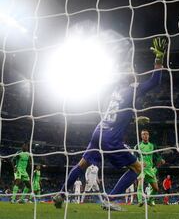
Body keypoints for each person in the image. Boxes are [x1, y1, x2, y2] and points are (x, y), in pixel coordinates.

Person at [53, 37, 167, 211]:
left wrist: (135, 119)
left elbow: (117, 113)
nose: (134, 71)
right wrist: (159, 58)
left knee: (82, 165)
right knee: (137, 168)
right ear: (130, 78)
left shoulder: (116, 92)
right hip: (111, 137)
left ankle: (61, 194)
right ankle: (111, 198)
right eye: (132, 70)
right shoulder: (132, 88)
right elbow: (154, 81)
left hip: (98, 131)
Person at [136, 129, 165, 207]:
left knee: (156, 189)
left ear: (149, 136)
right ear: (141, 136)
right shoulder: (138, 146)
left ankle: (149, 201)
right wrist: (139, 162)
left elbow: (156, 155)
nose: (145, 135)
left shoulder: (152, 146)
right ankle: (139, 201)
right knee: (140, 185)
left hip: (150, 169)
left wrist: (160, 159)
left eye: (147, 134)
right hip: (141, 169)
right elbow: (134, 157)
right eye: (143, 134)